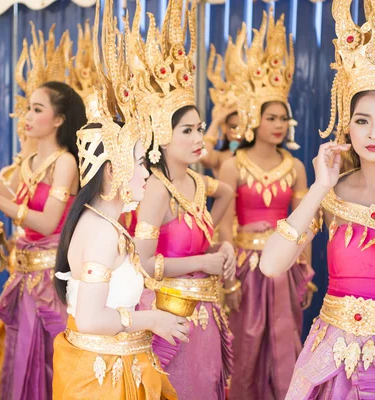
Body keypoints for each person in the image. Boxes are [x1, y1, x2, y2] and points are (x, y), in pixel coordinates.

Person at [260, 0, 375, 397]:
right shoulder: (331, 192)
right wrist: (319, 187)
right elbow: (271, 265)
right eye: (362, 120)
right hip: (328, 359)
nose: (374, 133)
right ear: (348, 126)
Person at [52, 1, 187, 397]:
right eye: (141, 163)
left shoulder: (106, 223)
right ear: (112, 170)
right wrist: (152, 319)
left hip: (119, 364)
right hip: (101, 376)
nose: (147, 173)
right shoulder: (97, 231)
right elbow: (91, 318)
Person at [126, 1, 235, 398]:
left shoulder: (194, 181)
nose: (198, 138)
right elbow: (143, 263)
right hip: (169, 313)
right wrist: (202, 261)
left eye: (199, 129)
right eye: (187, 131)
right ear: (161, 135)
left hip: (204, 310)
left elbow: (227, 192)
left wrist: (221, 244)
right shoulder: (157, 188)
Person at [216, 11, 316, 399]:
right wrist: (229, 278)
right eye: (271, 117)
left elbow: (303, 223)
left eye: (284, 119)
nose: (279, 124)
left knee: (285, 344)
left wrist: (304, 266)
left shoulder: (295, 167)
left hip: (285, 265)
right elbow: (224, 223)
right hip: (243, 264)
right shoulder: (232, 164)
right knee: (245, 343)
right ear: (254, 119)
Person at [0, 78, 86, 399]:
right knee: (21, 351)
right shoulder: (30, 161)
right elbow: (18, 203)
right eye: (27, 110)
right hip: (24, 271)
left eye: (37, 109)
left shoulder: (65, 162)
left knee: (49, 355)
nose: (28, 117)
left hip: (53, 275)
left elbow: (47, 222)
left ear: (59, 119)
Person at [201, 44, 243, 177]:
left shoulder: (258, 159)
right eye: (233, 127)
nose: (237, 132)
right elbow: (203, 157)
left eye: (242, 127)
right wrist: (217, 120)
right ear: (225, 129)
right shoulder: (221, 158)